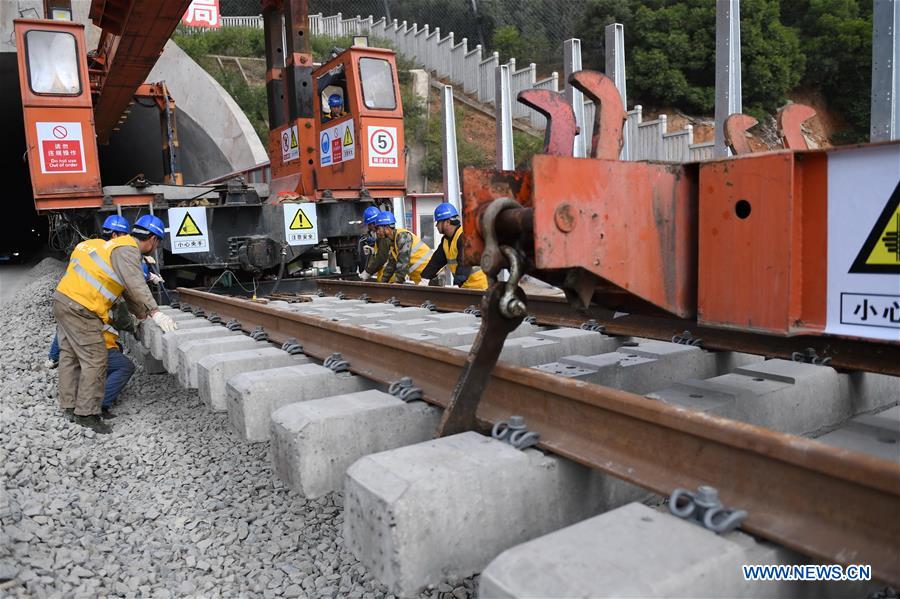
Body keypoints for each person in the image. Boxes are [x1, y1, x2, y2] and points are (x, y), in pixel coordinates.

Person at [52, 214, 177, 434]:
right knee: (95, 360)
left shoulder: (115, 245)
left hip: (64, 300)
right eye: (157, 243)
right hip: (83, 308)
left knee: (69, 357)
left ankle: (70, 407)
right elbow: (136, 284)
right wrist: (155, 312)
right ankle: (87, 414)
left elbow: (127, 291)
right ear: (153, 240)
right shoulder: (128, 249)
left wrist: (141, 315)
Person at [420, 203, 488, 290]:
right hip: (466, 287)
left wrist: (457, 284)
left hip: (479, 287)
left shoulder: (464, 237)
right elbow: (436, 262)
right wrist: (425, 278)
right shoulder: (446, 241)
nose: (436, 225)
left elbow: (464, 263)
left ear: (447, 222)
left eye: (438, 222)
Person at [374, 211, 432, 284]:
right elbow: (391, 265)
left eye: (378, 228)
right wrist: (383, 282)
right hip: (421, 278)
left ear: (386, 227)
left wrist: (397, 282)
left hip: (431, 275)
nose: (377, 232)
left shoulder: (403, 236)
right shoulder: (393, 242)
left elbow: (403, 261)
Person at [358, 206, 390, 282]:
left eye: (369, 224)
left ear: (374, 223)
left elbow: (381, 258)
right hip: (386, 275)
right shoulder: (382, 234)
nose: (368, 228)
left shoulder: (383, 235)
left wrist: (367, 272)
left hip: (389, 276)